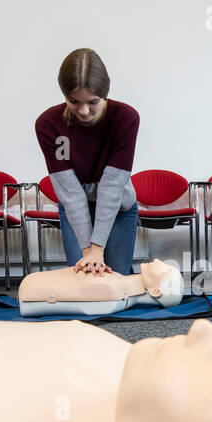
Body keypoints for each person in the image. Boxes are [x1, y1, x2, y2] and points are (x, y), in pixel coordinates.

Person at [34, 49, 140, 275]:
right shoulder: (48, 125)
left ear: (104, 93)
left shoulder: (125, 119)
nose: (83, 111)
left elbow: (111, 187)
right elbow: (70, 192)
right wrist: (88, 251)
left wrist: (98, 248)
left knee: (115, 277)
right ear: (64, 95)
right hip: (74, 207)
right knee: (86, 277)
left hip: (118, 206)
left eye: (92, 102)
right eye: (74, 102)